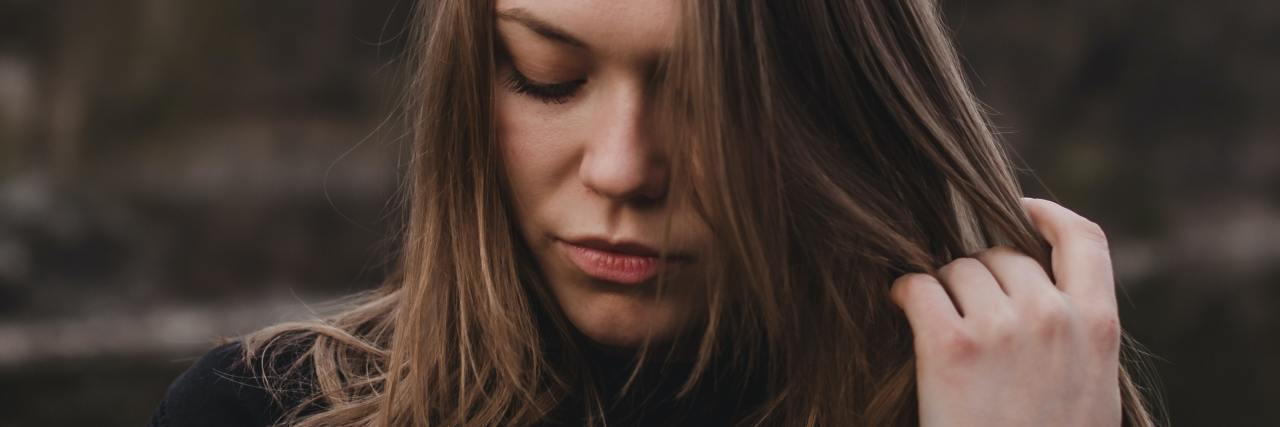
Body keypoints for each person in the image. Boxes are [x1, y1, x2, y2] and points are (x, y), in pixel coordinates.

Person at [150, 0, 1162, 425]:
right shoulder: (263, 414)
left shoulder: (1021, 400)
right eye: (544, 77)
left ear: (836, 107)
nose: (622, 168)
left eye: (704, 98)